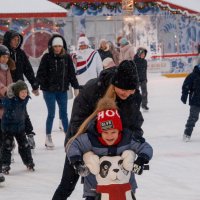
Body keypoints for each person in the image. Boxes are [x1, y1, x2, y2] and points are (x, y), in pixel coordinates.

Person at [52, 60, 144, 200]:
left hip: (115, 146)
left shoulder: (133, 96)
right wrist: (88, 148)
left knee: (116, 187)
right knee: (68, 184)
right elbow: (77, 121)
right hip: (85, 142)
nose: (127, 94)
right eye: (124, 90)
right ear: (116, 84)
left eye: (131, 90)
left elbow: (135, 123)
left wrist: (134, 144)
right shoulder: (93, 89)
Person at [66, 97, 153, 199]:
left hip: (123, 188)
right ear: (99, 132)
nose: (110, 136)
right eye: (105, 133)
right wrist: (77, 162)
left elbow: (145, 147)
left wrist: (141, 161)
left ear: (119, 130)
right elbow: (72, 145)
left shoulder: (127, 138)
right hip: (95, 189)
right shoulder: (90, 139)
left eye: (113, 132)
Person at [36, 34, 79, 149]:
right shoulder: (46, 58)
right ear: (52, 46)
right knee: (51, 114)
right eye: (55, 46)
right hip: (49, 90)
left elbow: (71, 74)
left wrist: (76, 87)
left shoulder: (67, 58)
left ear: (63, 46)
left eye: (60, 46)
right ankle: (48, 137)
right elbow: (40, 73)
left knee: (64, 114)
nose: (58, 48)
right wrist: (36, 85)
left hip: (62, 90)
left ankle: (68, 136)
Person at [3, 30, 39, 149]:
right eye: (14, 39)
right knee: (6, 113)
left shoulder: (21, 53)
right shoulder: (4, 53)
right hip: (6, 88)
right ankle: (8, 139)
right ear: (8, 39)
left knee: (22, 112)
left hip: (20, 88)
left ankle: (29, 134)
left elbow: (28, 69)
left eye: (18, 40)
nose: (16, 42)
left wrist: (34, 84)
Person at [1, 80, 35, 174]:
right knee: (7, 146)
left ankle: (29, 162)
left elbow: (25, 115)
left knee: (24, 145)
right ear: (16, 92)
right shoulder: (9, 101)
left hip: (20, 128)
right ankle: (5, 165)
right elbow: (3, 103)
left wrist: (29, 129)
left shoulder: (23, 102)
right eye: (22, 92)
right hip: (8, 128)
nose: (24, 94)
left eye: (25, 92)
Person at [0, 44, 13, 182]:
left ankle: (4, 164)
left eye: (6, 57)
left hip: (5, 109)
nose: (5, 59)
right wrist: (5, 91)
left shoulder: (7, 68)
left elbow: (10, 84)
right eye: (2, 57)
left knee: (4, 139)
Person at [181, 63, 200, 142]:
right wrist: (184, 96)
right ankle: (187, 134)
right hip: (195, 100)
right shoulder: (192, 76)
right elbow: (186, 86)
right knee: (193, 117)